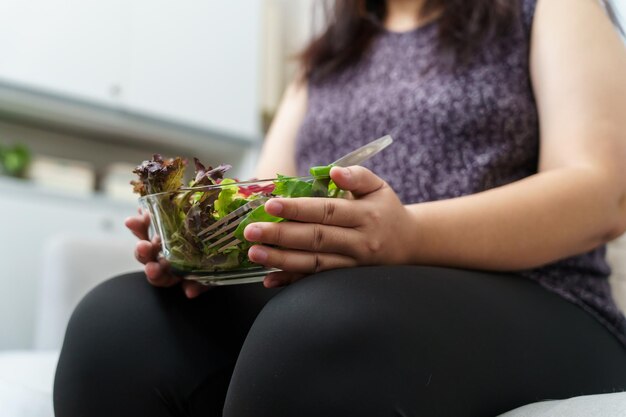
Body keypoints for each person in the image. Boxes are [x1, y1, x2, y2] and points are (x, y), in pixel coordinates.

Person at [54, 0, 626, 416]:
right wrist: (208, 242)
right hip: (335, 293)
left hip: (543, 296)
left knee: (321, 328)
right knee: (120, 323)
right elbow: (263, 195)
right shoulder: (330, 53)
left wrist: (408, 237)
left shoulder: (547, 6)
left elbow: (602, 190)